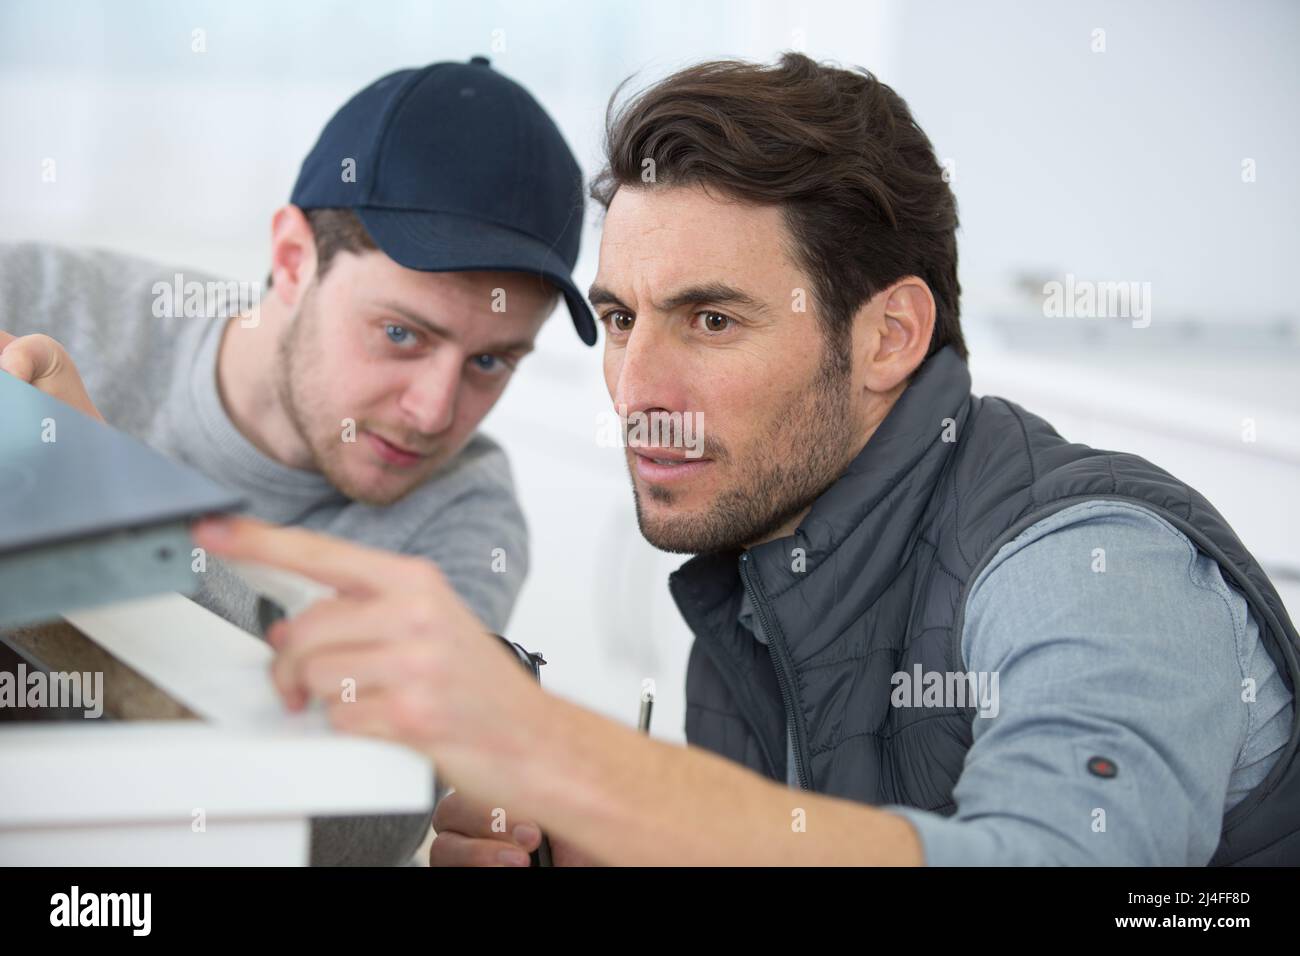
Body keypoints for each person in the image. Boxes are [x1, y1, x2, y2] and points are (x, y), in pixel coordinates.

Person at [191, 53, 1299, 865]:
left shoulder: (1092, 563)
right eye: (622, 318)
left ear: (887, 336)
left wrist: (578, 761)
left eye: (711, 320)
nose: (635, 390)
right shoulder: (751, 564)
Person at [0, 56, 594, 865]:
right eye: (401, 334)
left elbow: (354, 819)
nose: (432, 411)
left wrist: (113, 512)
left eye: (491, 363)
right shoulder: (32, 299)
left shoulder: (464, 517)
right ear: (290, 259)